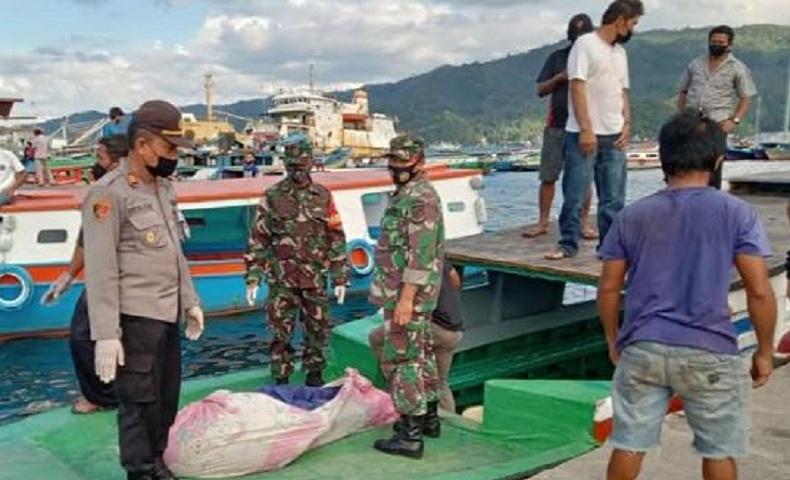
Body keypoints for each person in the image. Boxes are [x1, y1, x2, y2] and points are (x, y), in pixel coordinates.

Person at [598, 111, 776, 480]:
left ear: (664, 159)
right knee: (718, 450)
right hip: (710, 348)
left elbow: (609, 287)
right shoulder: (738, 213)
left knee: (630, 442)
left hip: (643, 346)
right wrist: (763, 350)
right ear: (717, 160)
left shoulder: (632, 216)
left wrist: (614, 339)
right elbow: (759, 291)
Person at [82, 100, 204, 480]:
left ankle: (157, 462)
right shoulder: (107, 194)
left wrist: (191, 301)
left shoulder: (163, 188)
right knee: (138, 403)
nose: (174, 158)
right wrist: (105, 334)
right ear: (141, 145)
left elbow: (173, 251)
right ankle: (140, 471)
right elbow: (100, 269)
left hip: (166, 313)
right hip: (135, 317)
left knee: (165, 400)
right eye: (169, 149)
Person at [244, 132, 348, 387]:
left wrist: (339, 275)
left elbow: (335, 235)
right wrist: (253, 276)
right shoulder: (272, 196)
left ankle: (314, 376)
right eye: (292, 167)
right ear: (286, 166)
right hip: (282, 280)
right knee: (280, 333)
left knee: (318, 330)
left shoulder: (323, 196)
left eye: (301, 166)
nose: (297, 172)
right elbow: (259, 239)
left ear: (310, 163)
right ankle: (281, 379)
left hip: (314, 278)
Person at [545, 0, 643, 260]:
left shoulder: (620, 53)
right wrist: (586, 129)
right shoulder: (585, 44)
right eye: (633, 23)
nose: (633, 29)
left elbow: (623, 91)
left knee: (613, 198)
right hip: (582, 133)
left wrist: (627, 124)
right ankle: (567, 244)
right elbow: (577, 86)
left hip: (614, 134)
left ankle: (610, 249)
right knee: (575, 193)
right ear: (621, 20)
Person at [42, 135, 129, 415]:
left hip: (115, 278)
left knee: (83, 335)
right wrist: (68, 276)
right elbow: (86, 238)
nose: (97, 163)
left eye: (101, 158)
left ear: (116, 162)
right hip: (106, 276)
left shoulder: (108, 193)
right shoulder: (104, 192)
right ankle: (111, 392)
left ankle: (102, 397)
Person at [371, 134, 443, 459]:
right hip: (406, 292)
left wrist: (406, 298)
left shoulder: (419, 199)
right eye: (394, 161)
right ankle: (429, 418)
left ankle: (410, 436)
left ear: (419, 162)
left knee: (403, 359)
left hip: (407, 294)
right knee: (422, 352)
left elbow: (421, 253)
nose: (397, 168)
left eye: (404, 162)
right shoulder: (409, 193)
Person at [523, 13, 596, 240]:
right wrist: (560, 78)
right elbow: (540, 89)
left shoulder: (596, 59)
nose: (579, 41)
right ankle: (543, 222)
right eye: (575, 36)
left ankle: (584, 223)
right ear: (569, 37)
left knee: (583, 177)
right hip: (557, 126)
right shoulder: (556, 58)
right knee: (548, 175)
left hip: (584, 126)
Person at [370, 258, 463, 414]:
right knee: (440, 381)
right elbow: (455, 279)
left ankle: (397, 387)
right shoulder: (438, 259)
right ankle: (448, 420)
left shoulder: (408, 266)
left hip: (435, 328)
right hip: (454, 330)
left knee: (377, 339)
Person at [677, 25, 757, 189]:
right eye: (713, 41)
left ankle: (711, 200)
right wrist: (681, 116)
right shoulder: (695, 63)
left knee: (713, 165)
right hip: (692, 121)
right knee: (689, 163)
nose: (716, 44)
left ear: (729, 45)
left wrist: (734, 120)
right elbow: (683, 91)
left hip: (717, 123)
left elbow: (746, 96)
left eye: (721, 42)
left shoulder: (738, 68)